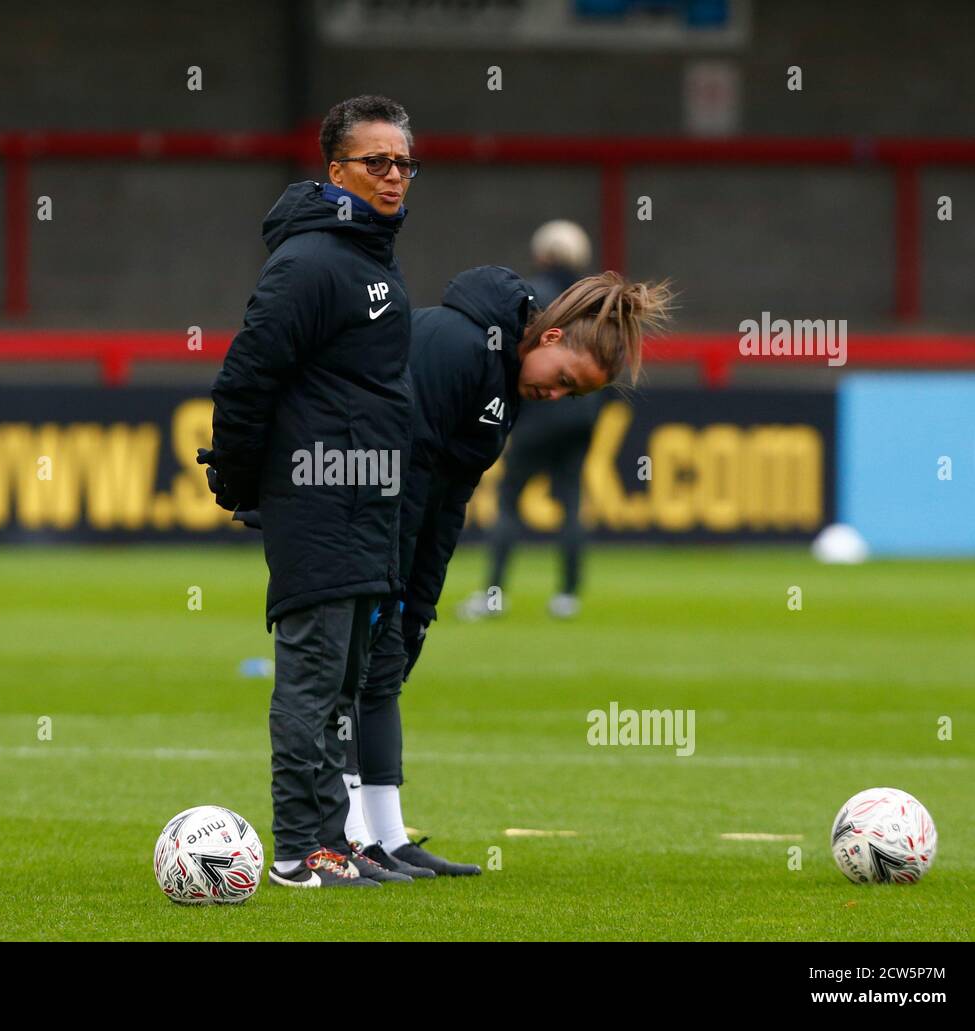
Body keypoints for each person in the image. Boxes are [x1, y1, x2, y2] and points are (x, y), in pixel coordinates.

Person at [345, 268, 673, 876]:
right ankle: (345, 838)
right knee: (349, 670)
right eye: (565, 381)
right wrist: (390, 577)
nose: (557, 396)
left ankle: (387, 835)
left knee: (385, 667)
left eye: (575, 396)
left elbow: (451, 492)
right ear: (549, 342)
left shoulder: (502, 378)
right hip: (356, 517)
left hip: (399, 529)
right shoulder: (457, 347)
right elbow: (405, 470)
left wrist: (420, 598)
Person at [200, 95, 421, 888]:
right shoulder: (312, 262)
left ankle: (336, 836)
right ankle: (299, 849)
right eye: (377, 162)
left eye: (403, 163)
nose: (394, 176)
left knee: (350, 682)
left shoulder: (367, 256)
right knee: (314, 677)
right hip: (323, 499)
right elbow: (247, 374)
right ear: (337, 171)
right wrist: (238, 473)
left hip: (368, 500)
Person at [460, 219, 601, 621]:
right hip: (582, 417)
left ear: (542, 254)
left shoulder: (536, 294)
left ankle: (494, 595)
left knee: (508, 501)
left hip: (539, 416)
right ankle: (568, 596)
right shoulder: (592, 301)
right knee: (571, 500)